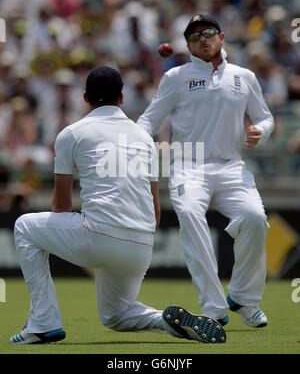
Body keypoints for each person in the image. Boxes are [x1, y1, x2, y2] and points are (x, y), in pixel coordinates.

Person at [10, 66, 226, 345]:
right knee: (115, 315)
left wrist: (72, 238)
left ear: (85, 97)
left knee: (24, 227)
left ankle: (43, 324)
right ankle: (164, 320)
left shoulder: (71, 134)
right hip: (142, 244)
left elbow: (61, 206)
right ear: (122, 98)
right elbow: (154, 207)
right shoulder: (144, 138)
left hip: (98, 235)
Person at [137, 14, 274, 328]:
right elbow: (148, 120)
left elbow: (265, 118)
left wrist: (260, 132)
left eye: (209, 32)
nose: (203, 39)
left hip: (231, 167)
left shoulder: (245, 77)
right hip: (188, 167)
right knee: (189, 214)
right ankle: (214, 308)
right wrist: (131, 142)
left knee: (254, 219)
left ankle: (243, 298)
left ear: (222, 37)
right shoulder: (175, 77)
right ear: (187, 45)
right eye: (195, 36)